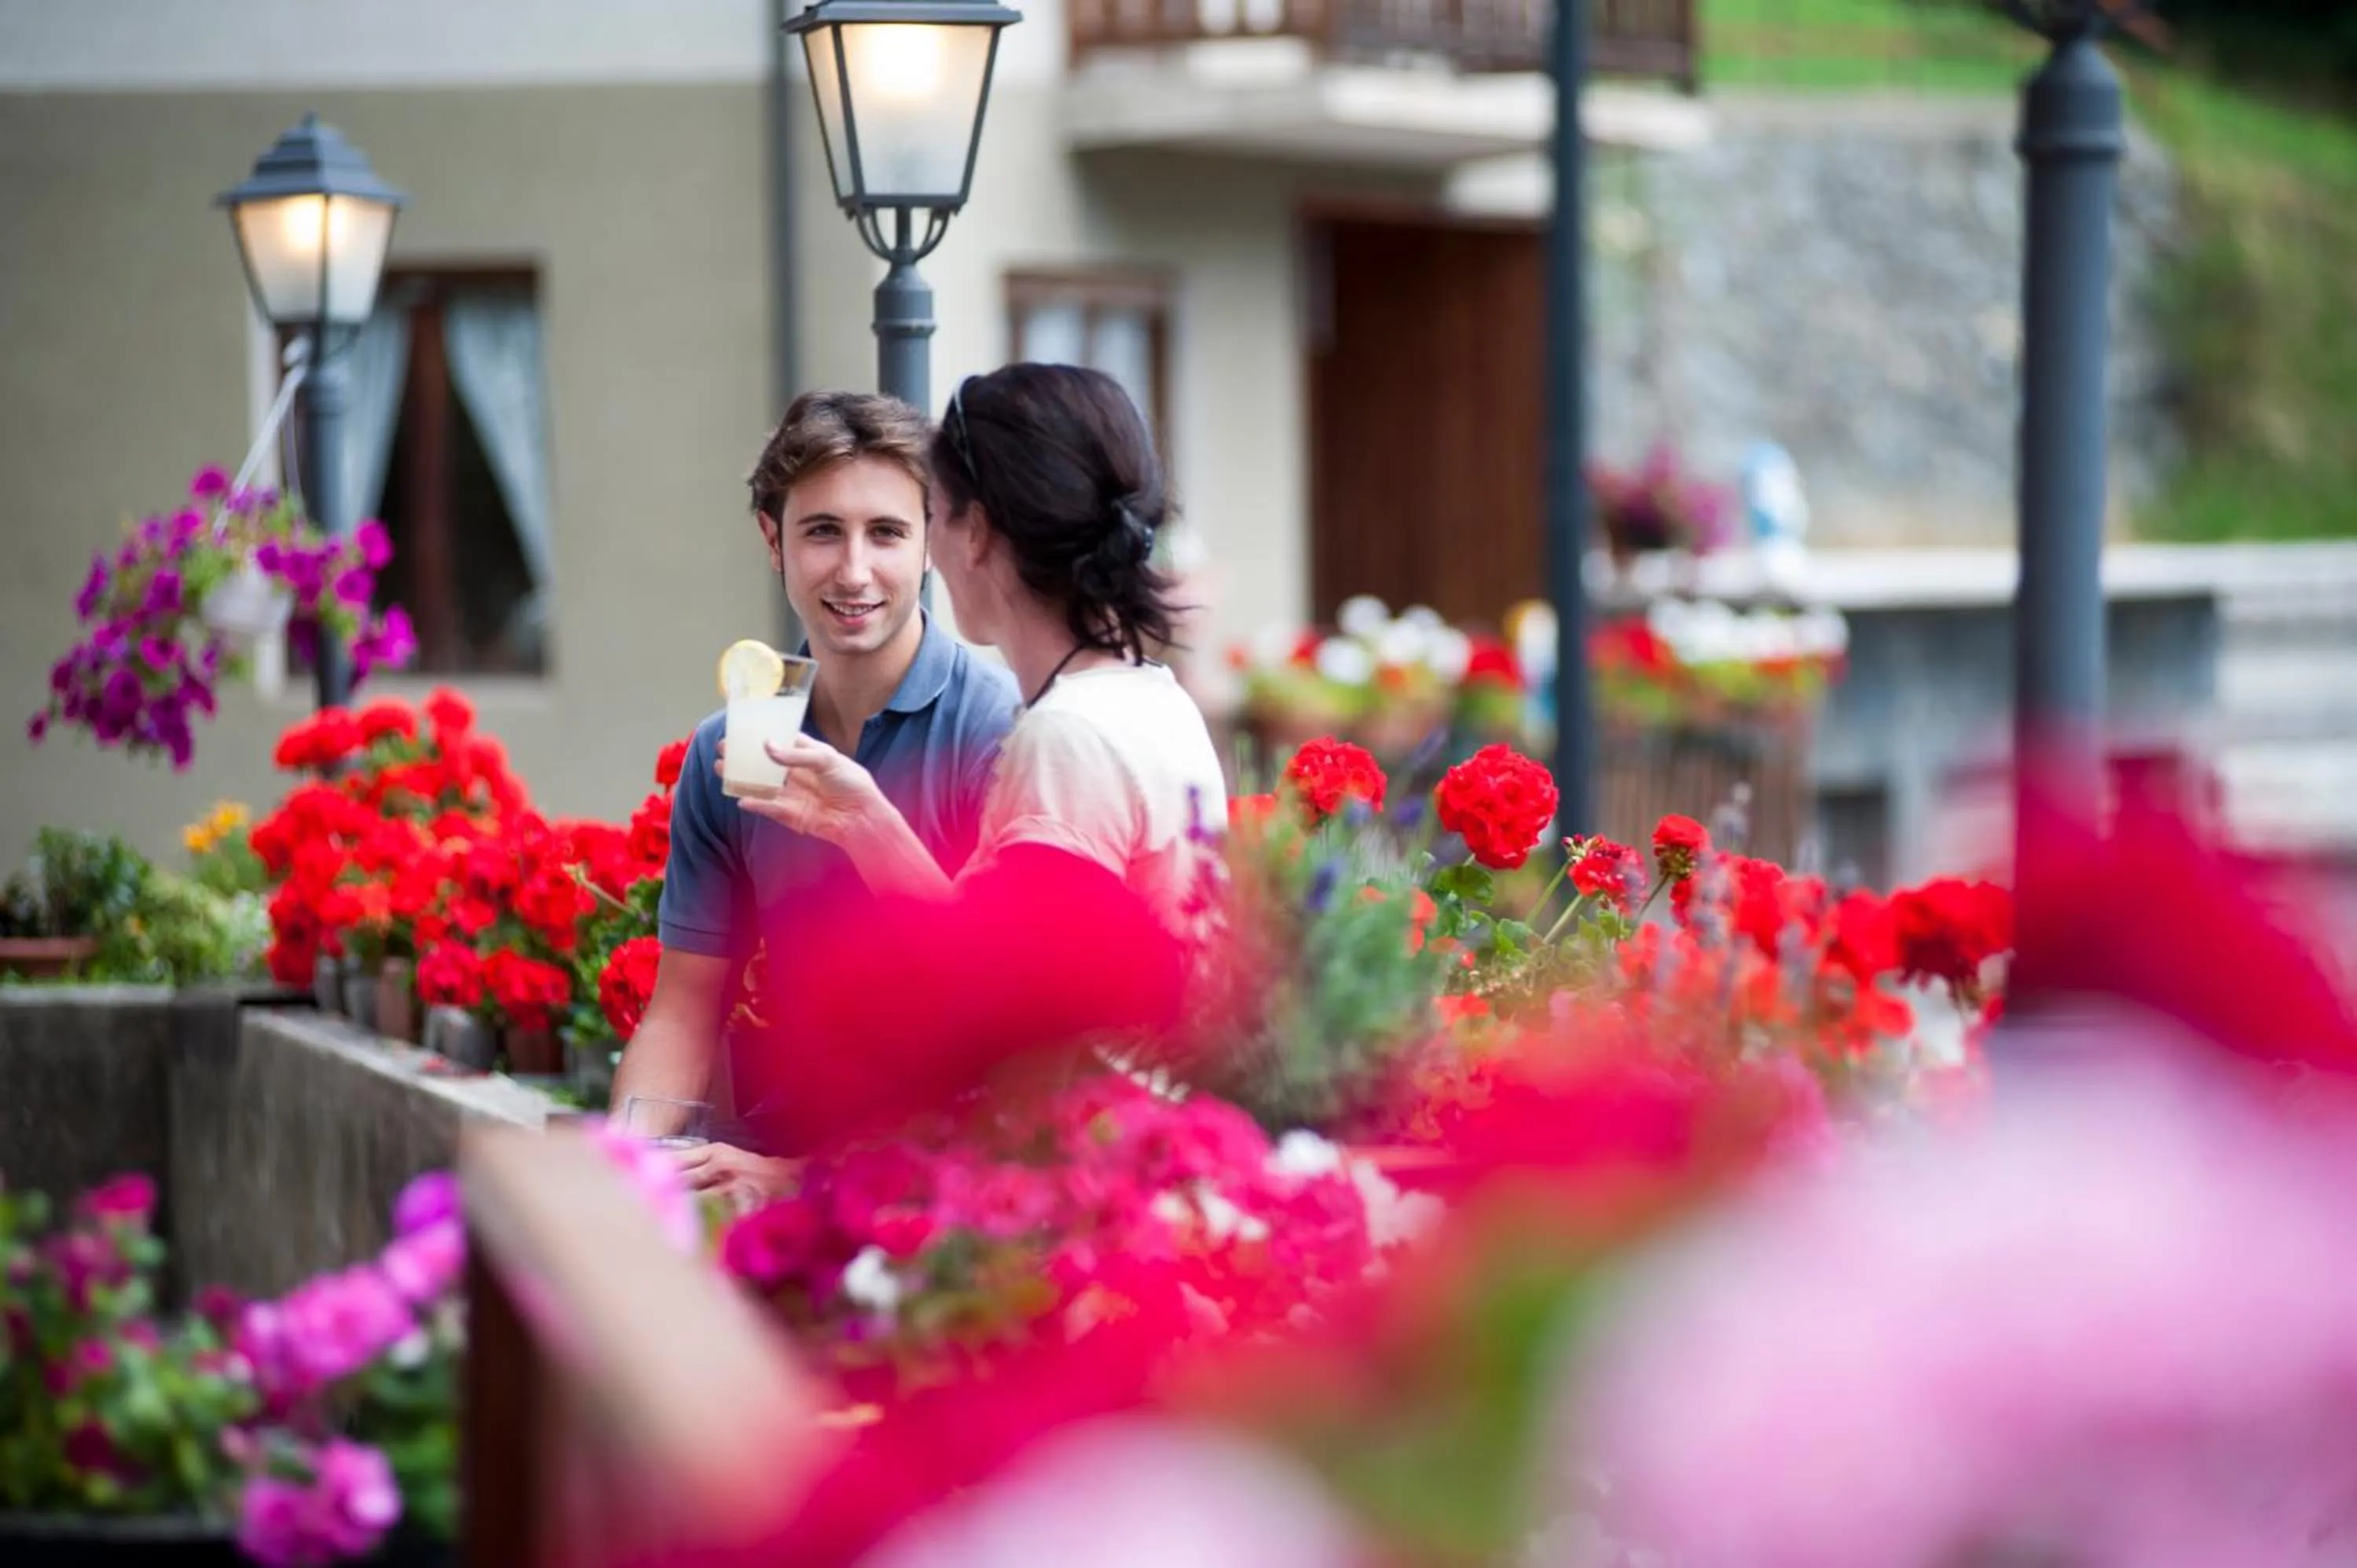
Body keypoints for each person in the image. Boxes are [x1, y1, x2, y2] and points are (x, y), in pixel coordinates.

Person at [613, 390, 1020, 1211]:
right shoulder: (731, 750)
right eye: (822, 531)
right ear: (774, 540)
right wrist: (628, 1164)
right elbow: (686, 1008)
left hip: (956, 1178)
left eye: (888, 533)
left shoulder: (997, 728)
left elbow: (1009, 1032)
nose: (854, 570)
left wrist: (809, 1181)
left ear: (934, 543)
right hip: (786, 1143)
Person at [742, 363, 1228, 937]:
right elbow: (992, 951)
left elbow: (1016, 1002)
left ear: (974, 530)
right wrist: (864, 822)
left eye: (929, 515)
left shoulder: (1066, 738)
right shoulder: (1149, 696)